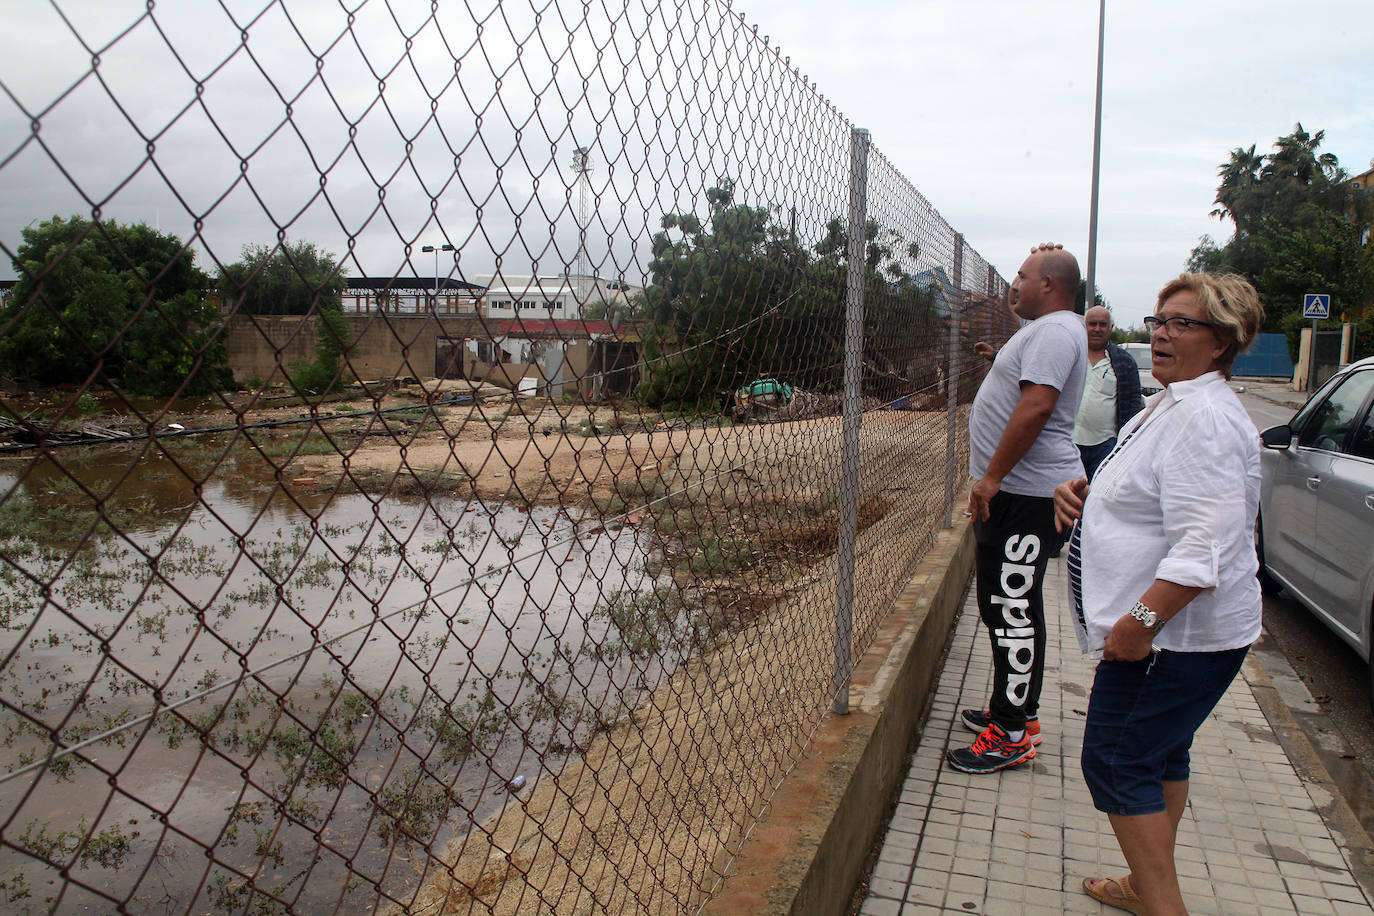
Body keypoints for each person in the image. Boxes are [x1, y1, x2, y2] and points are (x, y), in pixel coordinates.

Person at [1053, 273, 1265, 915]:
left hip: (1172, 641)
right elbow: (1151, 496)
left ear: (1224, 341)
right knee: (1160, 753)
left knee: (1117, 762)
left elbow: (1206, 549)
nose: (1163, 334)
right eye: (1159, 320)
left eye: (1183, 323)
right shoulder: (1170, 403)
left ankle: (1161, 903)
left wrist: (1139, 624)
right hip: (1176, 639)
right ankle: (1147, 886)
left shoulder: (1203, 418)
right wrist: (1087, 500)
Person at [947, 245, 1087, 775]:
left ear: (1049, 285)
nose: (1014, 285)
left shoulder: (1053, 332)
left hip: (1026, 495)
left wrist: (992, 478)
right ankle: (1015, 708)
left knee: (1010, 609)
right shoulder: (1046, 331)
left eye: (1023, 277)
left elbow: (1037, 405)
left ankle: (1010, 735)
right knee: (1012, 605)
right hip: (1021, 493)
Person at [1072, 306, 1144, 480]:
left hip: (1105, 446)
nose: (1097, 329)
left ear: (1111, 328)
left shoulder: (1124, 362)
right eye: (1092, 324)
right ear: (1084, 326)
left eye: (1103, 324)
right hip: (1069, 444)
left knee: (1097, 495)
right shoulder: (1071, 355)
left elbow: (1133, 406)